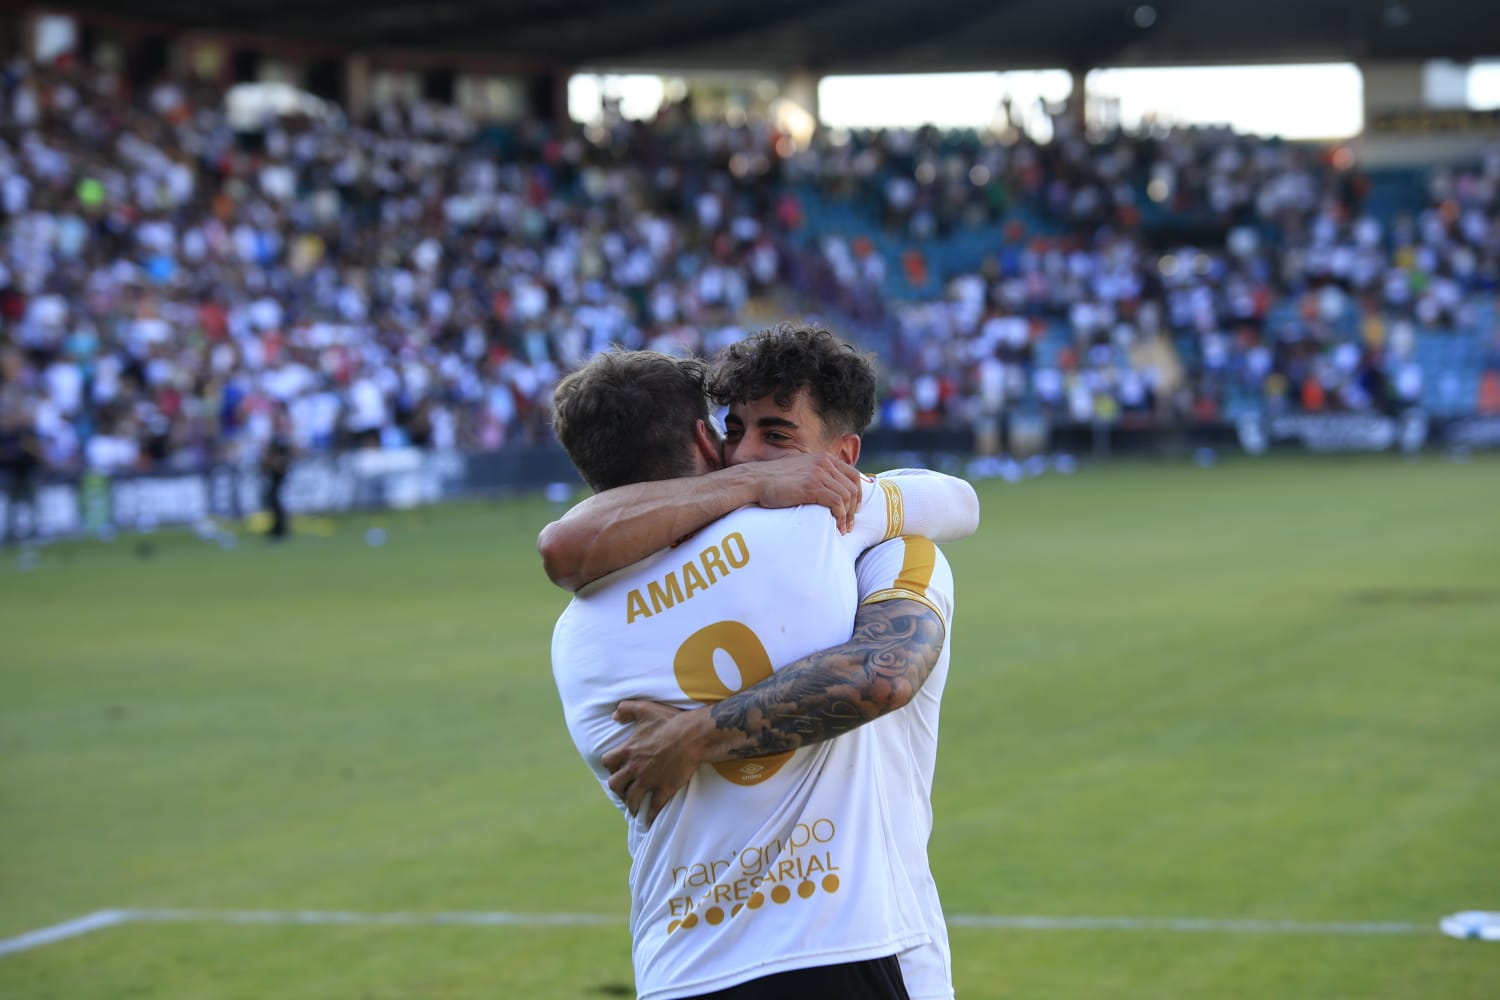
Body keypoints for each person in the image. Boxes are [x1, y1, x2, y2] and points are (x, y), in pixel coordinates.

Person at [546, 330, 971, 1000]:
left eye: (773, 436)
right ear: (705, 438)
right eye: (734, 430)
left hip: (677, 967)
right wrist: (764, 482)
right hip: (846, 943)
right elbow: (957, 508)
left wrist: (696, 734)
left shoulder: (575, 637)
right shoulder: (821, 532)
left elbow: (564, 546)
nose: (746, 453)